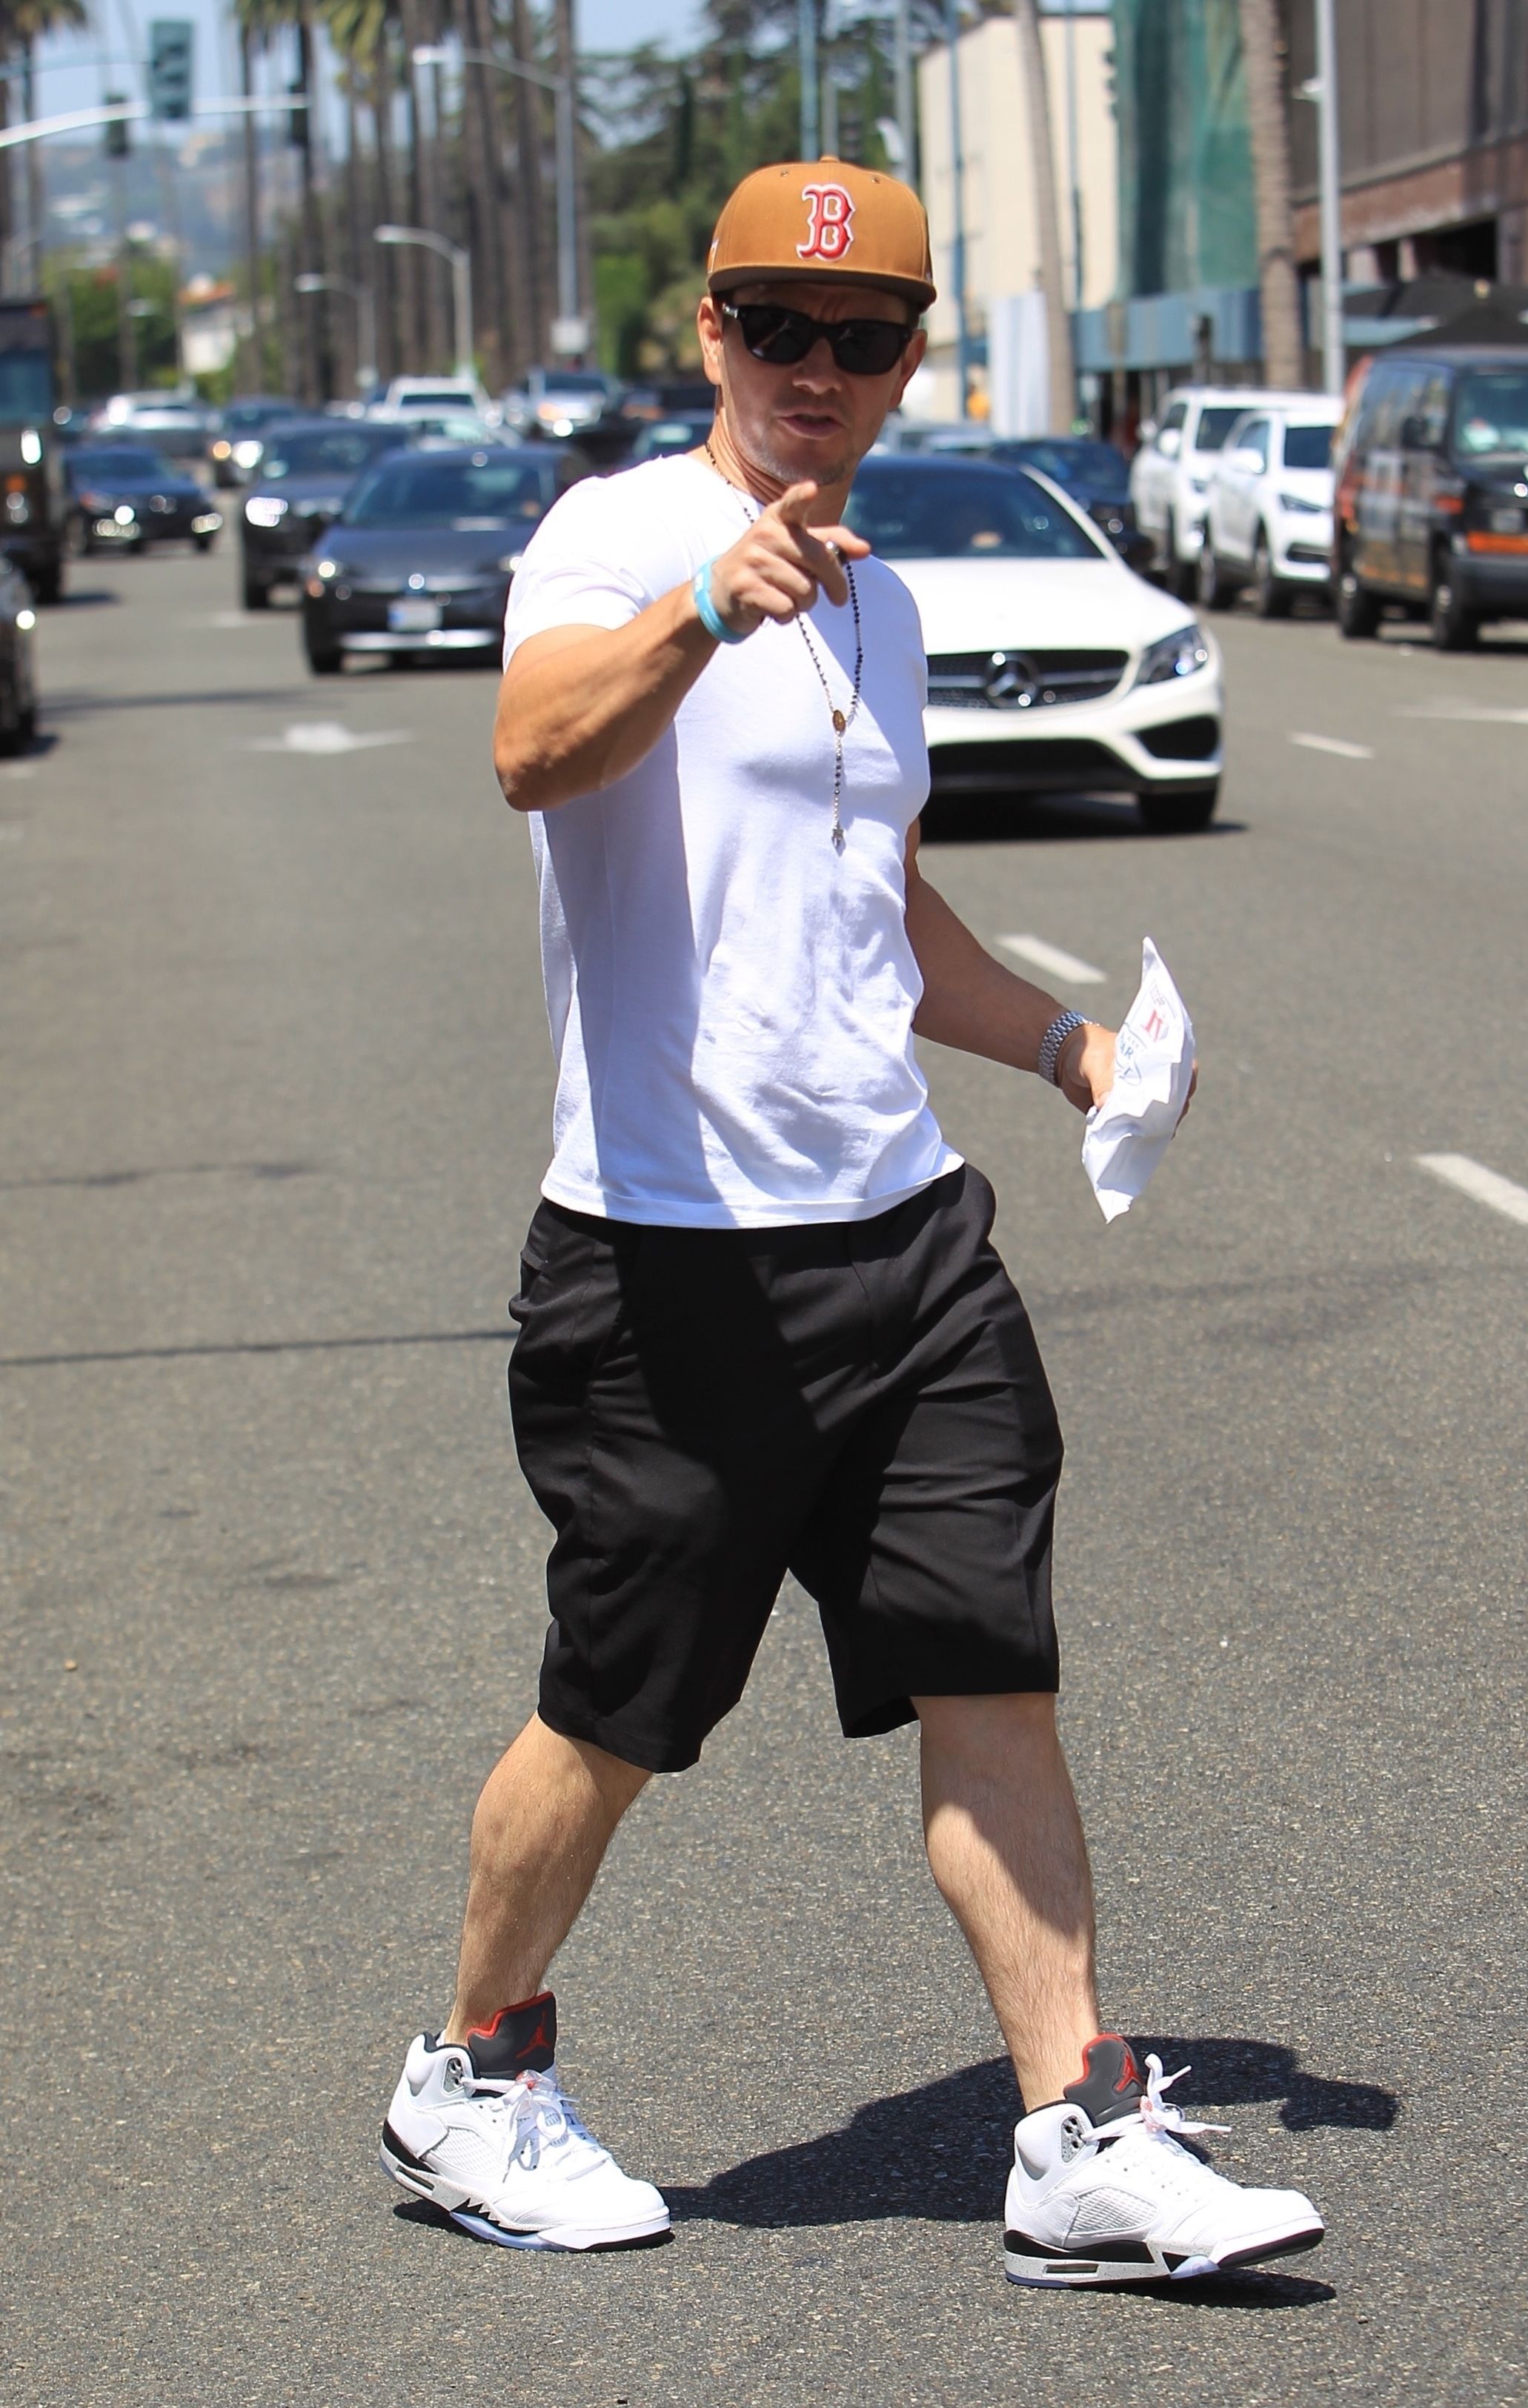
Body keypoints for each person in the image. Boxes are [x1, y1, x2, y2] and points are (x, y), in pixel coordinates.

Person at [380, 159, 1323, 2286]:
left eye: (864, 336)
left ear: (909, 364)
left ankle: (1076, 2126)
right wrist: (706, 606)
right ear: (711, 334)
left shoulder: (885, 606)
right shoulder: (615, 537)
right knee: (618, 1711)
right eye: (776, 327)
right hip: (666, 1259)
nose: (817, 368)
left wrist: (1069, 1047)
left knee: (992, 1668)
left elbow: (875, 906)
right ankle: (471, 2074)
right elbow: (532, 751)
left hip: (904, 1242)